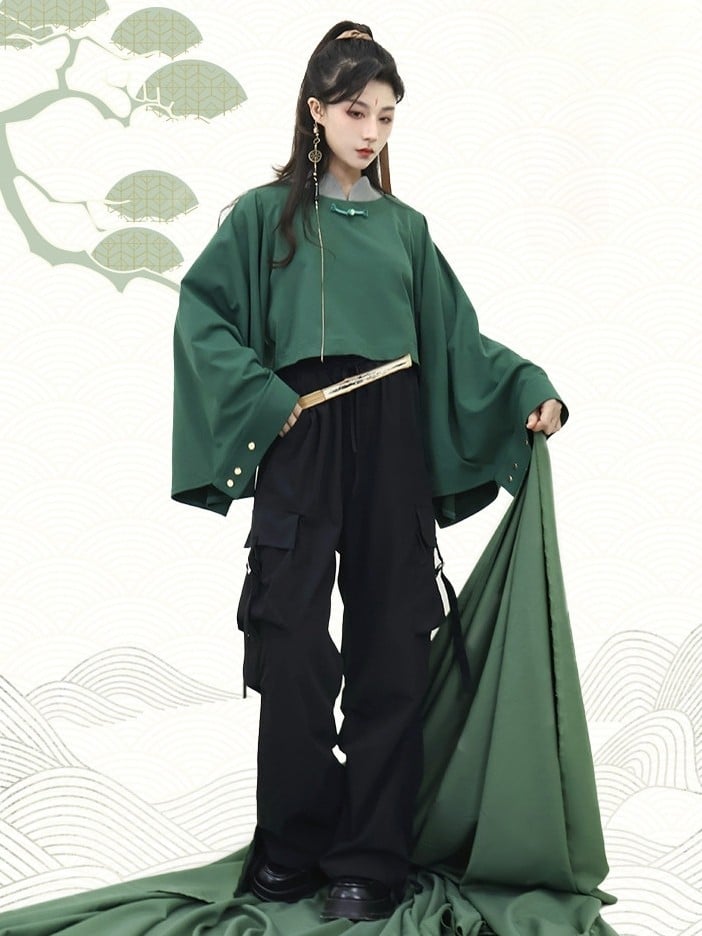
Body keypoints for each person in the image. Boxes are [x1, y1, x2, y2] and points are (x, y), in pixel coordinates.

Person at [170, 20, 566, 924]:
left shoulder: (406, 230)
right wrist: (266, 399)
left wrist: (529, 389)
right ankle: (291, 843)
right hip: (301, 435)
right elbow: (202, 318)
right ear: (316, 111)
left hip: (391, 439)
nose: (372, 131)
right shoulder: (262, 218)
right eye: (356, 111)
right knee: (291, 639)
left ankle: (369, 857)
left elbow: (459, 342)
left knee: (392, 646)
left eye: (386, 116)